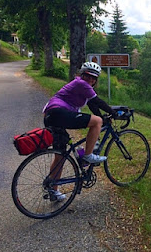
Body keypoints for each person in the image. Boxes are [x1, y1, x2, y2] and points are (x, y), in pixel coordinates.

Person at [43, 62, 115, 200]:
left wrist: (103, 116)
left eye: (94, 78)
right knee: (97, 122)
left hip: (51, 116)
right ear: (82, 75)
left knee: (60, 156)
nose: (91, 80)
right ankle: (88, 155)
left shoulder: (81, 87)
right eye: (88, 76)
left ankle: (53, 189)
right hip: (59, 113)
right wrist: (112, 113)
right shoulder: (81, 84)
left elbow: (93, 105)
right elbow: (98, 102)